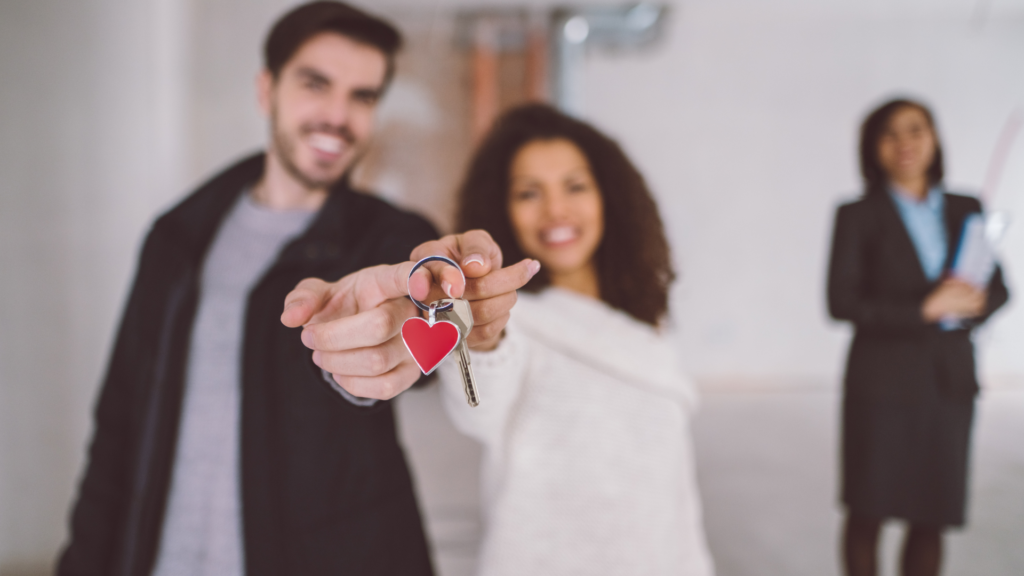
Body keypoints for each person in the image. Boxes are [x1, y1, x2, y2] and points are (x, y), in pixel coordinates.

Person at [57, 3, 536, 575]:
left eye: (363, 96)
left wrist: (431, 330)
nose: (338, 115)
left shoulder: (391, 240)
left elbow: (418, 335)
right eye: (316, 84)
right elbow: (120, 426)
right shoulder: (177, 237)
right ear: (267, 91)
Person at [437, 104, 714, 575]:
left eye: (575, 186)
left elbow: (673, 484)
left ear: (610, 197)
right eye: (529, 193)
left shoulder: (646, 317)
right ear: (500, 209)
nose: (556, 209)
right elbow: (475, 409)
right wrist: (481, 335)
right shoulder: (506, 319)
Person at [827, 98, 1009, 576]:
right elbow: (840, 303)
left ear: (934, 139)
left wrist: (975, 303)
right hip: (882, 385)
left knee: (931, 515)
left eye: (916, 130)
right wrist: (924, 309)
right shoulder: (857, 215)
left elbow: (1000, 288)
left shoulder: (966, 208)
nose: (904, 143)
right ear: (872, 148)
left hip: (948, 384)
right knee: (869, 511)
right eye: (889, 134)